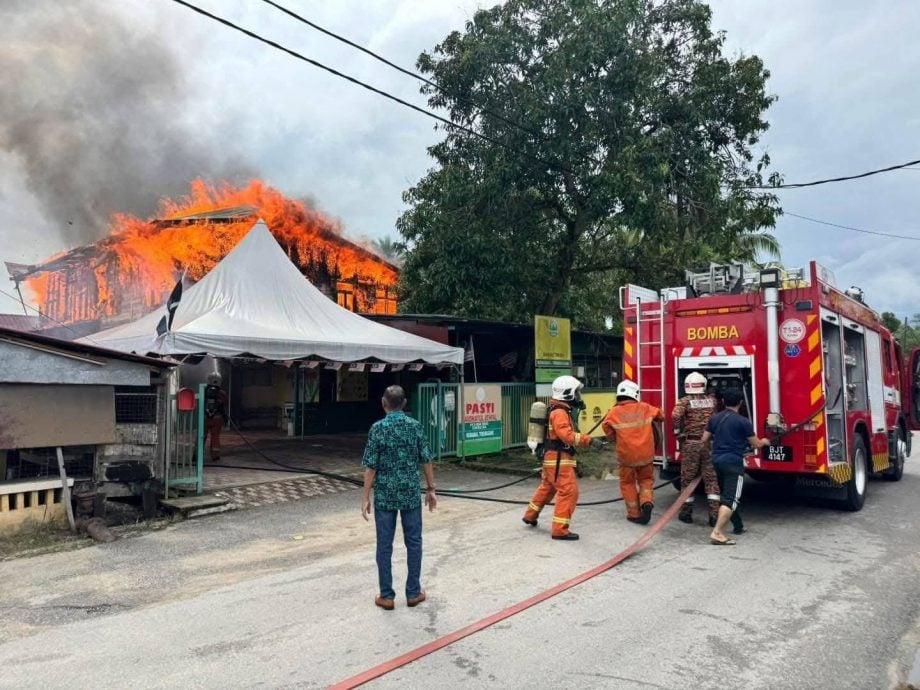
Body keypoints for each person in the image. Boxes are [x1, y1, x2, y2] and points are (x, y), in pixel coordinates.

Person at [361, 385, 437, 610]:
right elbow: (426, 459)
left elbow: (370, 467)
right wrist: (431, 488)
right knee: (414, 542)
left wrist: (365, 496)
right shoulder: (415, 427)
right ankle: (413, 593)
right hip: (411, 494)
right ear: (404, 403)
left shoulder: (377, 429)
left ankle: (386, 596)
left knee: (384, 545)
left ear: (384, 403)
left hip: (385, 496)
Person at [522, 375, 604, 541]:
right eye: (576, 393)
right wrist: (590, 441)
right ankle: (559, 529)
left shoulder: (558, 410)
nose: (578, 396)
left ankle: (530, 515)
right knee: (569, 492)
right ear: (567, 394)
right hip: (559, 459)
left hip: (552, 459)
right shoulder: (559, 412)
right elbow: (566, 436)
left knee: (548, 487)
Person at [700, 388, 770, 545]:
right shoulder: (743, 422)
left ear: (723, 402)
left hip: (717, 461)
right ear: (741, 403)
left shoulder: (714, 419)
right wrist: (765, 441)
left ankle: (738, 526)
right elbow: (756, 444)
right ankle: (717, 533)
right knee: (731, 499)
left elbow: (704, 439)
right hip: (733, 463)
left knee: (727, 495)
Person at [602, 380, 664, 525]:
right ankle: (646, 502)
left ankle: (634, 514)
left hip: (626, 457)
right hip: (646, 455)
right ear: (635, 393)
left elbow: (607, 430)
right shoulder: (644, 408)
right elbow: (661, 416)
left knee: (627, 483)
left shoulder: (613, 413)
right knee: (646, 480)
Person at [671, 372, 721, 526]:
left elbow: (675, 416)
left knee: (687, 479)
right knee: (711, 479)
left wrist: (678, 433)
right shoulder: (711, 401)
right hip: (709, 444)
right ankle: (714, 516)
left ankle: (686, 513)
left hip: (691, 444)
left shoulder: (684, 401)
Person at [203, 372, 228, 462]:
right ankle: (215, 456)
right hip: (217, 418)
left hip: (204, 418)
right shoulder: (222, 393)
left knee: (201, 436)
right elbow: (225, 403)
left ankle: (196, 455)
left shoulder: (204, 391)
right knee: (215, 437)